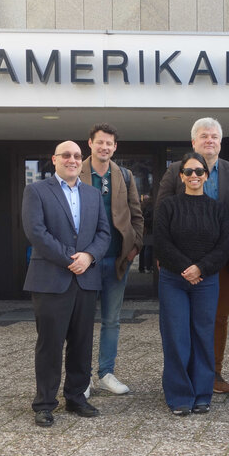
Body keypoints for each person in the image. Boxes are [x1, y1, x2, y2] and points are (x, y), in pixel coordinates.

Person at [22, 140, 111, 427]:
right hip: (51, 279)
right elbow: (36, 231)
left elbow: (103, 233)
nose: (72, 159)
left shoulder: (93, 194)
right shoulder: (36, 191)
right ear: (55, 159)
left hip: (86, 278)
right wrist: (69, 259)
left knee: (82, 343)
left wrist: (88, 257)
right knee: (50, 343)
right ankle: (45, 403)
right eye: (66, 155)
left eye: (76, 156)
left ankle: (76, 398)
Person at [158, 117, 229, 394]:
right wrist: (175, 261)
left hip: (221, 259)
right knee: (179, 324)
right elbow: (161, 213)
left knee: (216, 319)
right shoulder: (175, 171)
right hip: (179, 265)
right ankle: (183, 378)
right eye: (204, 136)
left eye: (214, 137)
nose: (210, 140)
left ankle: (213, 372)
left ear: (220, 142)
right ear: (194, 142)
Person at [154, 153, 229, 416]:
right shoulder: (168, 206)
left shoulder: (218, 209)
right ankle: (179, 396)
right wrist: (186, 268)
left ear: (206, 175)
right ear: (181, 176)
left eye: (199, 171)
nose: (194, 176)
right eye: (188, 172)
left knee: (202, 336)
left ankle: (201, 394)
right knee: (176, 337)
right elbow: (161, 242)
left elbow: (224, 246)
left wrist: (201, 268)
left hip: (206, 281)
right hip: (173, 280)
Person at [80, 123, 144, 395]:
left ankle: (106, 373)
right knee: (80, 322)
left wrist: (134, 249)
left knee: (111, 321)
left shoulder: (125, 175)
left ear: (115, 147)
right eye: (100, 142)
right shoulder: (76, 171)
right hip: (84, 263)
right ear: (90, 143)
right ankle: (81, 379)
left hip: (117, 260)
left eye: (110, 143)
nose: (105, 147)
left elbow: (137, 215)